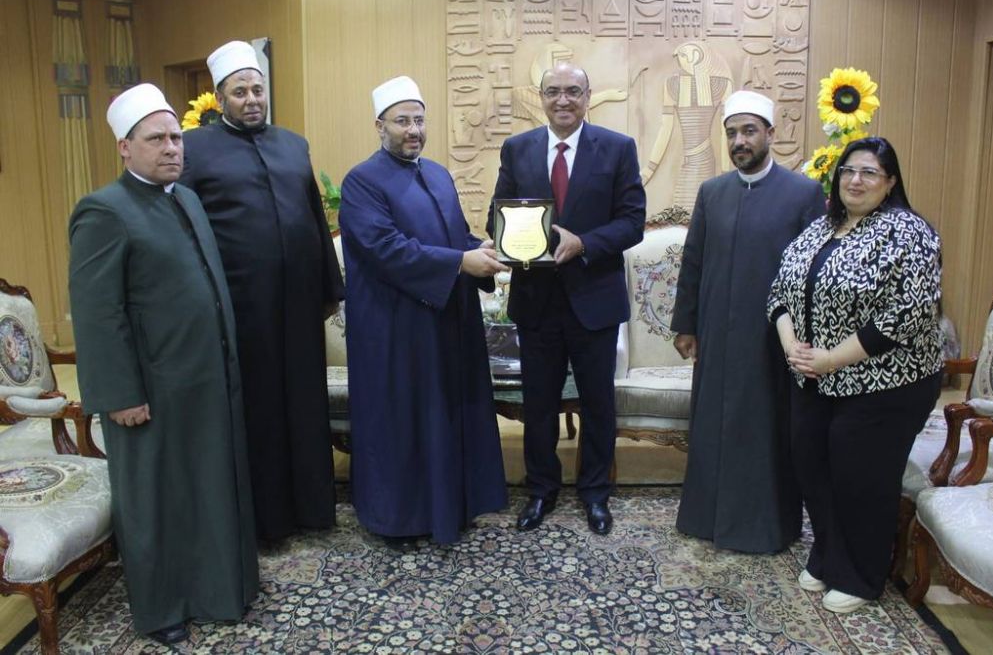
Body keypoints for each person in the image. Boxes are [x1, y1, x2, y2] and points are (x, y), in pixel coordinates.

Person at [68, 84, 258, 644]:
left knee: (210, 487)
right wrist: (120, 393)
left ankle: (221, 590)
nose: (172, 148)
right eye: (157, 139)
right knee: (156, 500)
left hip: (204, 379)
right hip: (148, 388)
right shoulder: (104, 210)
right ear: (125, 147)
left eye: (177, 137)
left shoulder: (186, 199)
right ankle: (162, 608)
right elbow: (97, 314)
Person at [768, 137, 942, 613]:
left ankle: (861, 575)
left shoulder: (909, 232)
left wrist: (832, 359)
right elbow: (779, 291)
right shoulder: (820, 227)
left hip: (887, 382)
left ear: (890, 182)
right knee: (811, 466)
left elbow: (906, 315)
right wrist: (791, 345)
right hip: (814, 378)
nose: (856, 180)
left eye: (869, 172)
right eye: (848, 171)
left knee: (860, 476)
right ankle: (828, 555)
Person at [180, 40, 344, 544]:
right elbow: (186, 229)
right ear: (220, 98)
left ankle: (313, 509)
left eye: (257, 90)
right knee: (261, 410)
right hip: (242, 307)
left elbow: (315, 218)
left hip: (299, 302)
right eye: (240, 92)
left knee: (306, 404)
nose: (251, 99)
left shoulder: (293, 144)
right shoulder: (194, 149)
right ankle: (268, 523)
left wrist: (329, 288)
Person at [338, 75, 509, 545]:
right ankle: (400, 519)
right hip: (395, 327)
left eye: (419, 120)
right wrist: (460, 262)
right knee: (405, 420)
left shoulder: (436, 173)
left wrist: (483, 249)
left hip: (446, 318)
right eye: (402, 122)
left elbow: (453, 237)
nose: (413, 130)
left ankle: (454, 508)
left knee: (448, 412)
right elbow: (386, 249)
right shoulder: (361, 181)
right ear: (379, 126)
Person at [489, 62, 646, 535]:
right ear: (540, 97)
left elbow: (632, 222)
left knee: (598, 403)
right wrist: (509, 241)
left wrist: (585, 244)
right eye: (553, 91)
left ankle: (595, 493)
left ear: (588, 96)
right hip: (536, 301)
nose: (563, 100)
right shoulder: (517, 149)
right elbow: (498, 215)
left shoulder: (618, 148)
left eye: (573, 91)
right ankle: (541, 489)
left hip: (594, 299)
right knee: (538, 404)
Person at [671, 90, 826, 553]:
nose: (740, 141)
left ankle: (764, 527)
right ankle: (705, 519)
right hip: (717, 333)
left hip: (772, 340)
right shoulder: (712, 192)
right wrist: (686, 324)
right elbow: (693, 261)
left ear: (770, 134)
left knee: (764, 430)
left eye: (749, 131)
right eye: (732, 133)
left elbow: (814, 271)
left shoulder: (803, 193)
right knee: (712, 426)